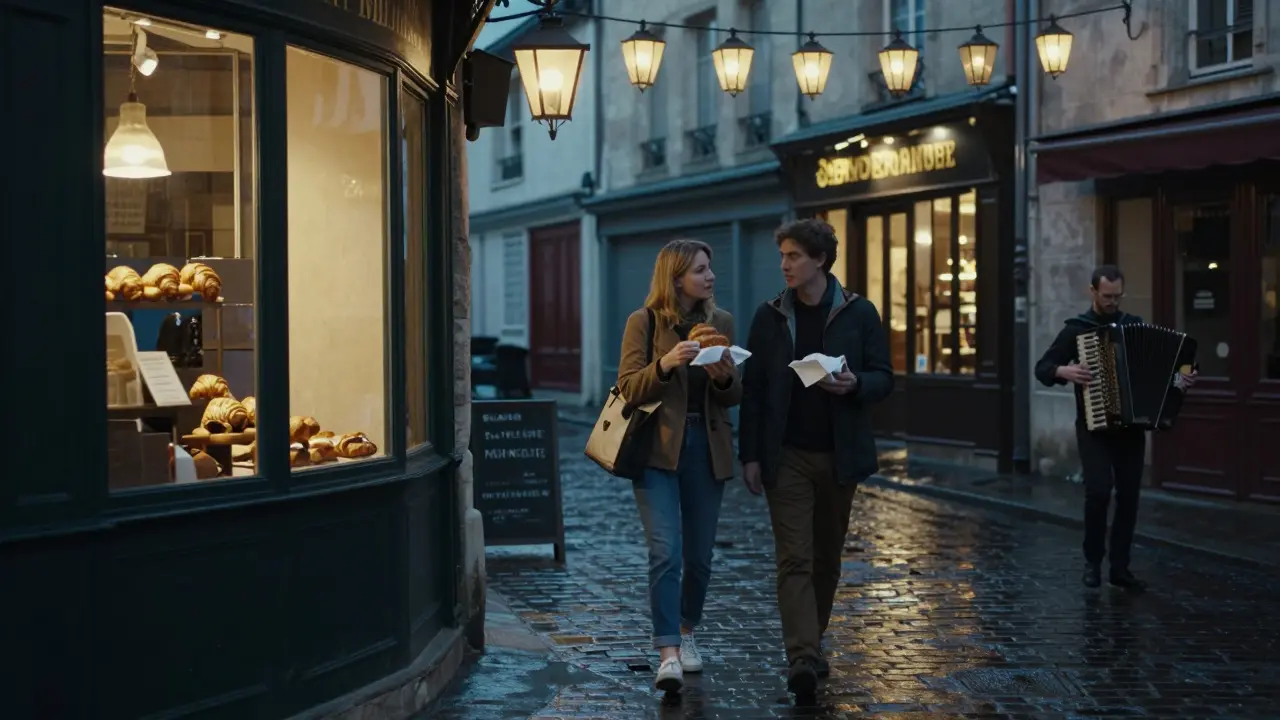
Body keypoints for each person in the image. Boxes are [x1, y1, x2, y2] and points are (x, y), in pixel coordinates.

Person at [738, 219, 893, 702]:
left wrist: (856, 385)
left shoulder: (859, 312)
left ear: (820, 261)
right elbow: (756, 391)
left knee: (827, 559)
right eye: (782, 255)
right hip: (787, 456)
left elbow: (884, 377)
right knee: (794, 559)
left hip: (840, 455)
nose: (784, 264)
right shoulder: (769, 317)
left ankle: (814, 640)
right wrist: (751, 456)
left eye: (794, 256)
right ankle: (801, 656)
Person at [615, 238, 742, 693]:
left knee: (700, 558)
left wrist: (725, 377)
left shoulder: (721, 322)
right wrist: (666, 363)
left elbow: (732, 397)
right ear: (676, 278)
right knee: (665, 551)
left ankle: (688, 630)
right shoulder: (644, 322)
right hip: (657, 451)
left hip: (707, 449)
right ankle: (667, 651)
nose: (710, 277)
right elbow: (630, 388)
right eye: (701, 270)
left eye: (710, 269)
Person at [1034, 265, 1197, 592]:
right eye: (1106, 296)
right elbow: (1043, 369)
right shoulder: (1075, 331)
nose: (1112, 301)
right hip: (1093, 427)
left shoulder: (1132, 326)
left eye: (1117, 296)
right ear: (1092, 292)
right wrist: (1064, 370)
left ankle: (1119, 568)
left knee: (1129, 497)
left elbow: (1168, 371)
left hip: (1130, 430)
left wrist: (1181, 380)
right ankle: (1093, 562)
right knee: (1097, 492)